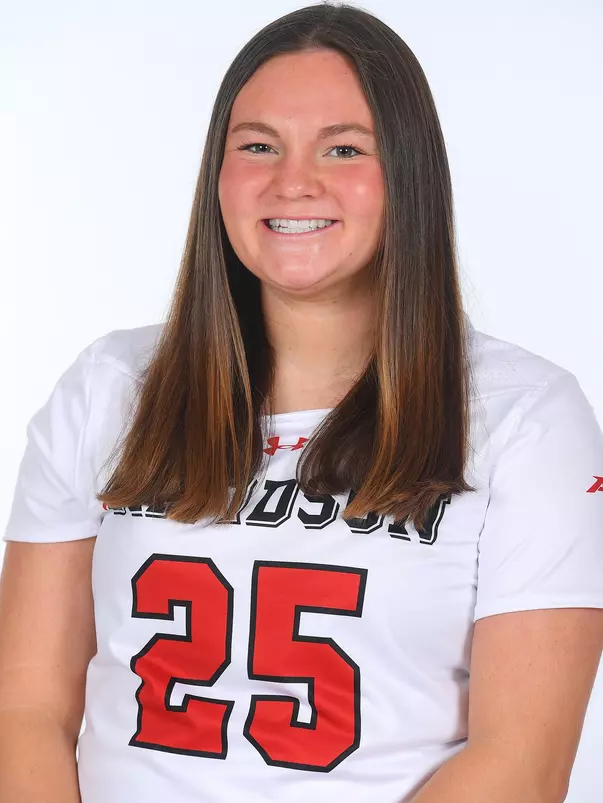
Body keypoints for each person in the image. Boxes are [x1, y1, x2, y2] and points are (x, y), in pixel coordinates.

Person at [1, 3, 602, 802]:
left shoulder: (525, 418)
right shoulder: (110, 387)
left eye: (342, 148)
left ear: (408, 174)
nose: (292, 182)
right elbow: (27, 710)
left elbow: (520, 763)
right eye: (257, 146)